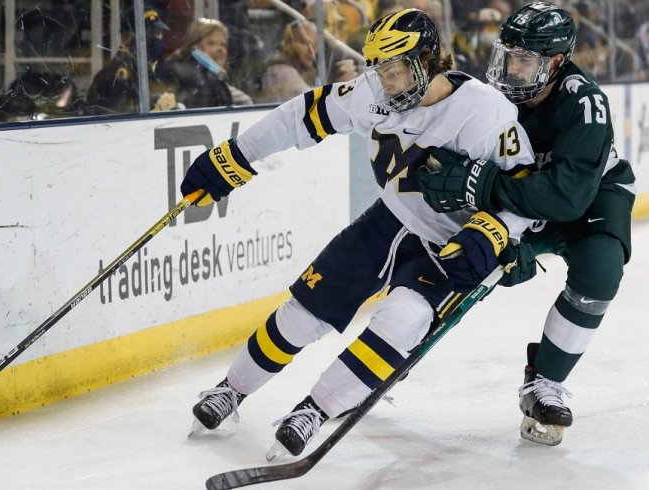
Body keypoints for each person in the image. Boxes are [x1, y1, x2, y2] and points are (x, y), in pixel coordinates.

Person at [182, 8, 540, 459]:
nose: (386, 83)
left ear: (428, 61)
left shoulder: (485, 112)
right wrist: (236, 155)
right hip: (386, 221)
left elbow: (527, 188)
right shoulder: (372, 91)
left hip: (448, 245)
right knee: (303, 311)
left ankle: (316, 408)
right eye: (380, 71)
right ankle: (230, 390)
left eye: (395, 71)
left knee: (401, 320)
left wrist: (497, 230)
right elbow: (302, 115)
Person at [415, 1, 636, 446]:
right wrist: (504, 229)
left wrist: (483, 190)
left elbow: (566, 197)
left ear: (555, 61)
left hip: (593, 197)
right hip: (530, 196)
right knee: (469, 258)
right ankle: (391, 351)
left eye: (524, 59)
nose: (510, 68)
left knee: (600, 268)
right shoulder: (491, 99)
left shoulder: (584, 101)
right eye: (507, 55)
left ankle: (545, 383)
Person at [159, 18, 253, 109]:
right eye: (211, 43)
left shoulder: (237, 98)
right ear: (195, 48)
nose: (219, 49)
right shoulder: (183, 79)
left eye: (223, 45)